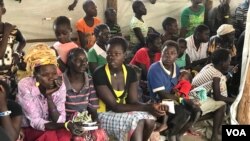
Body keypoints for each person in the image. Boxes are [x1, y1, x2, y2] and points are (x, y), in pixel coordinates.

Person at [93, 37, 167, 141]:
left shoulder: (130, 72)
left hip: (121, 112)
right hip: (103, 114)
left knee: (149, 119)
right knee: (138, 120)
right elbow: (114, 107)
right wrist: (148, 107)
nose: (111, 57)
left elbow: (133, 101)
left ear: (125, 55)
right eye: (109, 54)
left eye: (116, 54)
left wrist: (152, 106)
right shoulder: (100, 73)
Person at [16, 43, 82, 141]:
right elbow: (36, 122)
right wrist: (64, 125)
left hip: (52, 126)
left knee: (66, 135)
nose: (51, 78)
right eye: (45, 74)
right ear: (35, 75)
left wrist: (49, 96)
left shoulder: (60, 84)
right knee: (50, 136)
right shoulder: (25, 85)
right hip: (29, 128)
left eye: (54, 73)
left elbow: (60, 119)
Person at [147, 40, 201, 141]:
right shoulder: (155, 69)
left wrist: (188, 98)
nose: (168, 56)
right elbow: (162, 95)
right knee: (183, 113)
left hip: (173, 101)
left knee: (196, 110)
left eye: (173, 53)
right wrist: (183, 100)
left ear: (177, 56)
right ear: (161, 53)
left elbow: (177, 87)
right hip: (159, 104)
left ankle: (179, 134)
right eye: (166, 52)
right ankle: (171, 135)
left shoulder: (175, 67)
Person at [190, 49, 235, 141]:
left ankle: (214, 131)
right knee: (221, 105)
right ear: (222, 63)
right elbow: (218, 96)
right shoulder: (216, 74)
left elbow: (220, 81)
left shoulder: (209, 66)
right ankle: (214, 135)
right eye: (229, 61)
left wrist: (231, 73)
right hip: (194, 97)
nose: (230, 63)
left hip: (195, 94)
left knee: (220, 106)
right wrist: (235, 100)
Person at [63, 48, 108, 140]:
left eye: (85, 60)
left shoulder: (89, 80)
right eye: (78, 60)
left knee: (99, 135)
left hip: (84, 121)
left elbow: (92, 107)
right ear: (69, 62)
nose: (83, 63)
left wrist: (95, 120)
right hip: (66, 123)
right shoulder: (62, 82)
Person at [0, 0, 26, 99]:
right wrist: (6, 32)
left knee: (10, 104)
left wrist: (17, 53)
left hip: (10, 77)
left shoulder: (13, 31)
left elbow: (23, 41)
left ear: (3, 11)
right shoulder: (9, 29)